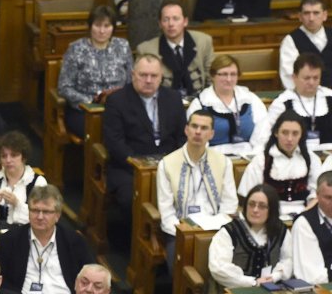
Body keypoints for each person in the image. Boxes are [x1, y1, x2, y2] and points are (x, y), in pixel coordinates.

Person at [103, 54, 187, 216]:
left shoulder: (173, 98)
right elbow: (115, 142)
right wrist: (139, 164)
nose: (148, 80)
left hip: (169, 164)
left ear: (161, 77)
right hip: (130, 167)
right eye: (143, 75)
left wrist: (174, 163)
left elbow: (182, 137)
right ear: (133, 75)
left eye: (154, 76)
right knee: (131, 200)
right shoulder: (117, 100)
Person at [156, 110, 239, 264]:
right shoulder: (167, 164)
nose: (198, 132)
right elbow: (166, 211)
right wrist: (184, 232)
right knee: (178, 266)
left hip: (216, 229)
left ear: (211, 134)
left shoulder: (223, 162)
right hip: (180, 231)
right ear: (186, 130)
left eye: (204, 128)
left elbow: (229, 204)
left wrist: (214, 229)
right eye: (194, 126)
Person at [0, 184, 94, 294]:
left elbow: (90, 275)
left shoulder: (74, 241)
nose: (40, 217)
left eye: (46, 212)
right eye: (35, 210)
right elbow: (1, 280)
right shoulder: (9, 241)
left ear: (57, 215)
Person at [56, 5, 133, 138]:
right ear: (90, 26)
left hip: (118, 107)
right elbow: (64, 87)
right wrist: (91, 101)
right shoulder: (76, 48)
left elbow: (131, 82)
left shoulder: (123, 46)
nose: (102, 31)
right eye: (97, 25)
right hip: (84, 110)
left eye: (107, 26)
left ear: (113, 27)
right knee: (106, 131)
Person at [236, 114, 317, 221]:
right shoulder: (261, 160)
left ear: (301, 135)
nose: (289, 139)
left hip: (305, 215)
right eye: (285, 133)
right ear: (276, 133)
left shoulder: (311, 159)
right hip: (268, 217)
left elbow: (318, 195)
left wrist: (305, 215)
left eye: (295, 133)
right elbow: (247, 195)